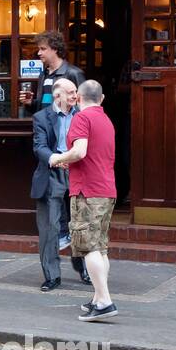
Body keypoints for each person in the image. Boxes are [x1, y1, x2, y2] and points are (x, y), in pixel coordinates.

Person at [50, 79, 118, 322]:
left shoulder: (82, 118)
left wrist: (57, 158)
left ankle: (105, 301)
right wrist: (72, 160)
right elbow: (91, 154)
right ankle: (98, 299)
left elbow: (80, 151)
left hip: (87, 191)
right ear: (101, 99)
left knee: (88, 248)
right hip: (106, 189)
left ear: (78, 98)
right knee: (100, 248)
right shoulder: (106, 120)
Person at [32, 78, 80, 292]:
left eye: (76, 92)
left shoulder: (82, 115)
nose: (74, 96)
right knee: (49, 227)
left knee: (81, 224)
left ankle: (85, 268)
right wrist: (55, 159)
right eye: (70, 92)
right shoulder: (41, 117)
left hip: (79, 173)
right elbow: (39, 147)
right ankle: (52, 276)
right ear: (57, 96)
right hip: (53, 172)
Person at [19, 30, 86, 119]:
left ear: (55, 49)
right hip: (44, 127)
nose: (39, 53)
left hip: (63, 129)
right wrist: (30, 103)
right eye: (39, 49)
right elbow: (43, 106)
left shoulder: (74, 73)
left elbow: (84, 106)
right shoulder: (43, 75)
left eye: (43, 49)